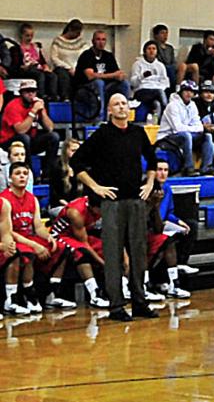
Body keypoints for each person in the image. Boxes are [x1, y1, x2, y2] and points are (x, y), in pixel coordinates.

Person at [69, 92, 158, 321]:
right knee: (113, 253)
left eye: (124, 103)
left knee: (138, 252)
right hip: (111, 203)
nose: (121, 107)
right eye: (116, 104)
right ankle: (116, 305)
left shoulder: (138, 132)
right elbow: (76, 161)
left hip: (136, 200)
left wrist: (149, 183)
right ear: (109, 110)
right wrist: (96, 187)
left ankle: (140, 301)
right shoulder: (102, 134)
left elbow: (153, 160)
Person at [1, 161, 54, 314]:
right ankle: (16, 296)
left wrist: (48, 236)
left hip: (26, 236)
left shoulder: (32, 199)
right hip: (15, 237)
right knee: (25, 252)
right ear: (10, 178)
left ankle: (51, 293)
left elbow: (38, 226)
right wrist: (34, 245)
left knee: (60, 247)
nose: (22, 177)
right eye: (18, 174)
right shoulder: (4, 200)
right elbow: (8, 232)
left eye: (25, 174)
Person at [46, 190, 109, 308]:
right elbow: (84, 243)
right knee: (81, 252)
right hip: (60, 236)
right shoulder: (76, 213)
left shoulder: (95, 202)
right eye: (101, 210)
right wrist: (103, 263)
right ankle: (94, 294)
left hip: (79, 235)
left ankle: (123, 288)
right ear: (93, 207)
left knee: (108, 247)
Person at [145, 160, 192, 299]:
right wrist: (154, 205)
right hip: (144, 230)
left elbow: (167, 213)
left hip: (160, 224)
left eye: (166, 170)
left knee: (188, 228)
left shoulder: (167, 189)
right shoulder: (146, 189)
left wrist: (178, 221)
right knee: (166, 240)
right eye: (159, 169)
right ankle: (148, 284)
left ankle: (174, 280)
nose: (163, 173)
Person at [1, 79, 60, 176]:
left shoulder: (37, 104)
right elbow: (21, 130)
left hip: (29, 141)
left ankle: (47, 174)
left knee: (54, 137)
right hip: (9, 142)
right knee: (24, 138)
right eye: (27, 91)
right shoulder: (13, 106)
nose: (31, 94)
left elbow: (50, 128)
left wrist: (42, 112)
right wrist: (33, 111)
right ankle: (30, 174)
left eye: (33, 91)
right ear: (21, 93)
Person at [158, 81, 214, 176]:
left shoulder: (192, 105)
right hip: (166, 137)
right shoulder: (172, 106)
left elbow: (199, 126)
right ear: (181, 92)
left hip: (185, 135)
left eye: (192, 91)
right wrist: (196, 128)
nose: (189, 93)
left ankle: (207, 167)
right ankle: (188, 168)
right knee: (186, 136)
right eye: (186, 91)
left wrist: (197, 128)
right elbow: (177, 128)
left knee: (207, 136)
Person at [72, 29, 126, 118]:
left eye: (103, 40)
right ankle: (100, 117)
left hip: (105, 88)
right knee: (99, 83)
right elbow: (90, 76)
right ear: (93, 41)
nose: (101, 42)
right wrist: (113, 75)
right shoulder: (86, 55)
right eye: (98, 39)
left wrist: (120, 76)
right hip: (84, 89)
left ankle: (124, 113)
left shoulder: (108, 56)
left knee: (124, 84)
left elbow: (118, 73)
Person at [130, 39, 170, 121]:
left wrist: (159, 87)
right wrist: (142, 76)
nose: (151, 51)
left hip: (157, 91)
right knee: (160, 93)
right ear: (145, 51)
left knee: (157, 104)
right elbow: (133, 83)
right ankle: (166, 109)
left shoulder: (160, 65)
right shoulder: (138, 64)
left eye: (154, 49)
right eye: (149, 49)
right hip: (142, 91)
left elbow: (165, 82)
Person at [49, 19, 87, 103]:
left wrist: (76, 67)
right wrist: (68, 68)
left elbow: (85, 55)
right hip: (62, 68)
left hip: (77, 67)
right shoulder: (58, 41)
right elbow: (54, 58)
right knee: (63, 75)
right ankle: (66, 98)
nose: (78, 35)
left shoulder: (81, 42)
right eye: (76, 32)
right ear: (70, 29)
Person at [14, 23, 53, 98]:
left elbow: (42, 61)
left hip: (38, 67)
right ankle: (41, 95)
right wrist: (24, 67)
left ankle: (52, 96)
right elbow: (17, 64)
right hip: (27, 69)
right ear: (22, 35)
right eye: (27, 35)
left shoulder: (35, 48)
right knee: (40, 75)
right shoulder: (17, 48)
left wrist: (46, 67)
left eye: (31, 35)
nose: (30, 38)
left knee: (52, 76)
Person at [150, 23, 178, 88]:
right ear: (156, 35)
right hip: (160, 67)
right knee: (169, 69)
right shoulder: (154, 46)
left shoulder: (170, 47)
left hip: (170, 67)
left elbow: (173, 60)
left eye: (166, 33)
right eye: (162, 33)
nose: (165, 35)